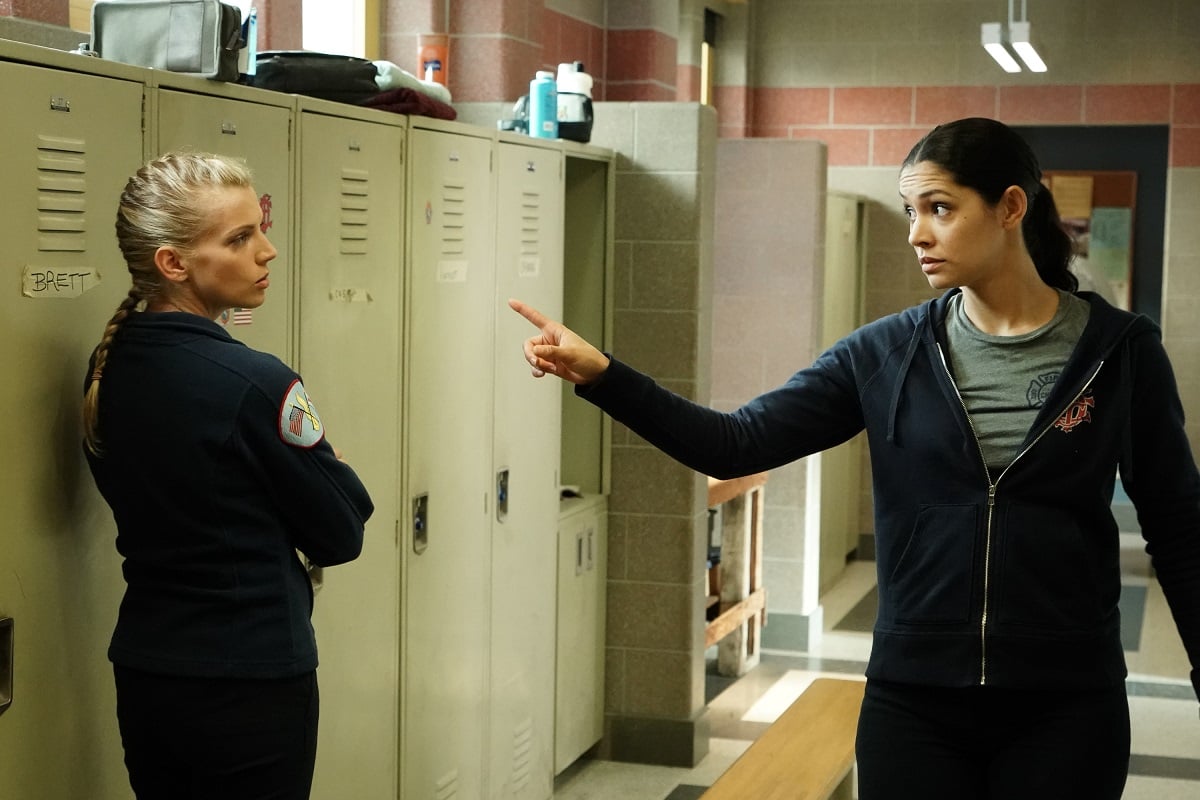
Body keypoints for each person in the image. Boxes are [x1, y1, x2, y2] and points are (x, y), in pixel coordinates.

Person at [510, 117, 1200, 799]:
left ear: (1011, 207)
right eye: (910, 212)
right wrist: (606, 376)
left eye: (940, 208)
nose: (917, 233)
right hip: (915, 704)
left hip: (1066, 705)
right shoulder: (885, 353)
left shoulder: (1120, 353)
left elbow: (1179, 529)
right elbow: (734, 442)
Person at [82, 152, 374, 800]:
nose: (267, 251)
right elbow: (341, 532)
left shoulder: (107, 368)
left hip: (150, 670)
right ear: (173, 263)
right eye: (240, 238)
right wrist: (334, 473)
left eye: (260, 229)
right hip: (250, 686)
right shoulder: (254, 383)